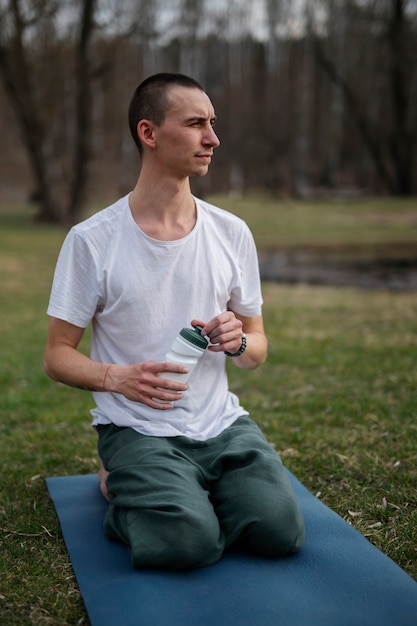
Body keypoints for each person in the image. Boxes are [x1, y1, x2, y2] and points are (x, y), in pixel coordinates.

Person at [44, 72, 304, 570]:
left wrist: (237, 342)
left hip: (222, 427)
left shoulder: (232, 232)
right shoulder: (92, 240)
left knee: (280, 532)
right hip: (137, 429)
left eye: (213, 123)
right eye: (195, 123)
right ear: (149, 133)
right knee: (189, 544)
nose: (213, 138)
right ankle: (120, 483)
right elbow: (56, 355)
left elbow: (258, 349)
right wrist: (116, 378)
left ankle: (188, 490)